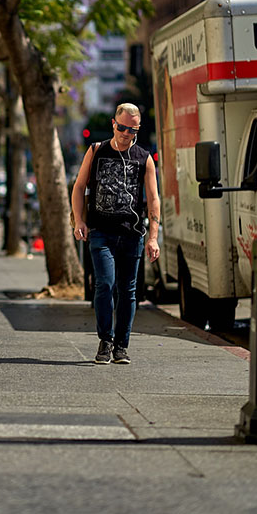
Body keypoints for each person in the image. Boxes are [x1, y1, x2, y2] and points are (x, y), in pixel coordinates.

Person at [71, 103, 160, 365]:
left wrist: (152, 237)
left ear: (137, 129)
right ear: (113, 124)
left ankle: (122, 346)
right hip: (101, 233)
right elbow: (78, 187)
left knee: (128, 291)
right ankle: (105, 341)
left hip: (132, 234)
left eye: (131, 130)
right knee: (105, 285)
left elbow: (154, 200)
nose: (125, 133)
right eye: (121, 127)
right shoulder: (96, 150)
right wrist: (79, 221)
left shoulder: (144, 158)